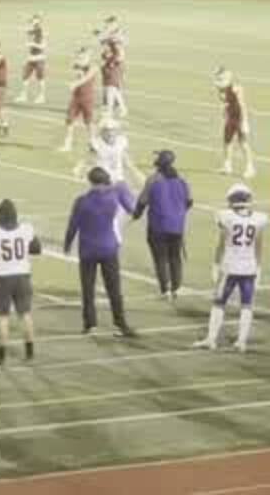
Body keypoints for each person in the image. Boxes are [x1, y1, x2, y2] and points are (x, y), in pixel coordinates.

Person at [63, 166, 137, 336]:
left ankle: (90, 324)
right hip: (108, 248)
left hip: (88, 250)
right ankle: (121, 323)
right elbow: (130, 206)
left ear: (90, 181)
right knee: (114, 289)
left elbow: (73, 225)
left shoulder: (82, 201)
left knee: (88, 289)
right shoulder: (113, 196)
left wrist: (67, 244)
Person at [197, 183, 267, 351]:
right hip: (249, 267)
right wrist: (258, 267)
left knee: (218, 303)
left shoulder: (226, 217)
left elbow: (221, 244)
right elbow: (258, 244)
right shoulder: (258, 219)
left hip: (229, 267)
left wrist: (216, 264)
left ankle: (211, 339)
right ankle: (241, 342)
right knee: (247, 305)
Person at [0, 198, 41, 366]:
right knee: (25, 314)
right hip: (23, 275)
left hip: (3, 277)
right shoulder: (26, 229)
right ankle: (30, 354)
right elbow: (36, 249)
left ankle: (1, 358)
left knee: (2, 317)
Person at [134, 149, 193, 300]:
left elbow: (142, 201)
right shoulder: (182, 181)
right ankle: (176, 288)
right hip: (177, 226)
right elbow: (189, 202)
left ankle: (165, 290)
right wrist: (178, 212)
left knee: (160, 258)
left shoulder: (153, 179)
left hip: (158, 226)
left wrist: (136, 214)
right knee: (175, 257)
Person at [215, 67, 256, 178]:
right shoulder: (221, 89)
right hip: (230, 117)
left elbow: (242, 105)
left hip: (239, 117)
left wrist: (245, 121)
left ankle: (250, 167)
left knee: (243, 143)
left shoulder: (237, 88)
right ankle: (227, 165)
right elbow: (226, 102)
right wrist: (225, 111)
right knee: (227, 141)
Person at [61, 48, 96, 154]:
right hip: (76, 97)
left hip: (87, 97)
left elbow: (86, 78)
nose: (80, 59)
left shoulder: (93, 67)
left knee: (89, 122)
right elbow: (74, 69)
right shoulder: (77, 66)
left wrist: (75, 84)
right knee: (70, 120)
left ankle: (93, 143)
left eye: (83, 57)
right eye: (79, 57)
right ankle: (68, 144)